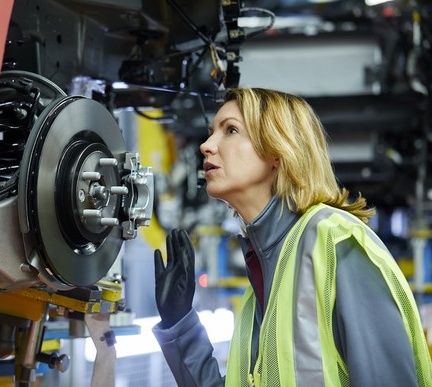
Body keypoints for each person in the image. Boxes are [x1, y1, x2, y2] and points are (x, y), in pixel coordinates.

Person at [152, 87, 432, 386]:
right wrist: (178, 322)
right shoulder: (260, 280)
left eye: (230, 130)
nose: (206, 145)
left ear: (277, 151)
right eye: (210, 133)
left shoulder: (335, 242)